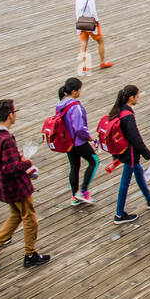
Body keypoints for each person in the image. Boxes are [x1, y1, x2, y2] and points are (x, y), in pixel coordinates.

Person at [0, 99, 50, 268]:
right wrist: (27, 163)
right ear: (11, 115)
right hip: (17, 186)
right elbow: (9, 168)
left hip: (5, 185)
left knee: (16, 215)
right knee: (30, 218)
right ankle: (30, 254)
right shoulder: (6, 138)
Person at [106, 85, 150, 224]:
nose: (138, 98)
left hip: (122, 151)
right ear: (131, 98)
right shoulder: (128, 116)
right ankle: (119, 214)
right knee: (125, 182)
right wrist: (149, 155)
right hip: (129, 154)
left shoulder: (117, 111)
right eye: (137, 96)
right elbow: (136, 139)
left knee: (138, 172)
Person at [56, 77, 98, 205]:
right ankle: (83, 191)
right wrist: (89, 137)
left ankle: (75, 196)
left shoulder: (60, 103)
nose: (80, 92)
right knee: (94, 161)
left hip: (68, 142)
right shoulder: (75, 106)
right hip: (79, 141)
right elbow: (79, 128)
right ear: (74, 92)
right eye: (79, 90)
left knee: (74, 166)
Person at [75, 0, 113, 72]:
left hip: (81, 23)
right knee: (100, 41)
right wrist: (96, 23)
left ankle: (83, 65)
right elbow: (93, 12)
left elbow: (77, 11)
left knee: (83, 44)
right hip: (90, 24)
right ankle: (102, 62)